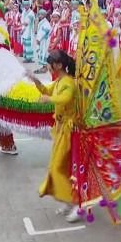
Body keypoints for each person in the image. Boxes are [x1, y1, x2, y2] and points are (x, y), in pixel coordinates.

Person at [33, 51, 81, 223]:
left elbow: (65, 98)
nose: (49, 66)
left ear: (59, 65)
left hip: (70, 131)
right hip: (61, 129)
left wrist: (48, 99)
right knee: (62, 167)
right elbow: (47, 90)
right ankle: (69, 201)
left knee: (58, 166)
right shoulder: (60, 81)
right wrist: (36, 81)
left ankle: (77, 203)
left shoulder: (68, 82)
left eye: (51, 63)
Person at [35, 10, 52, 74]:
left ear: (44, 15)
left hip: (44, 41)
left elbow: (44, 32)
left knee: (44, 53)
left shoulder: (46, 23)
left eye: (41, 15)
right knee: (42, 53)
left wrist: (38, 39)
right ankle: (43, 66)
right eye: (39, 14)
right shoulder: (42, 22)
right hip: (42, 40)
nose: (40, 16)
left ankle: (45, 67)